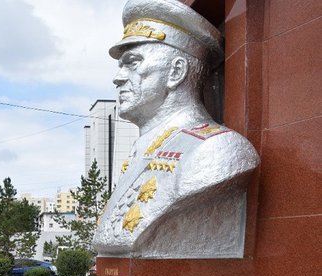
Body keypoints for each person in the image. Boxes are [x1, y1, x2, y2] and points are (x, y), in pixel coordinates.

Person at [93, 0, 259, 259]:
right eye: (120, 66)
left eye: (132, 63)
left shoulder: (216, 150)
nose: (118, 77)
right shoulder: (143, 150)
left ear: (176, 71)